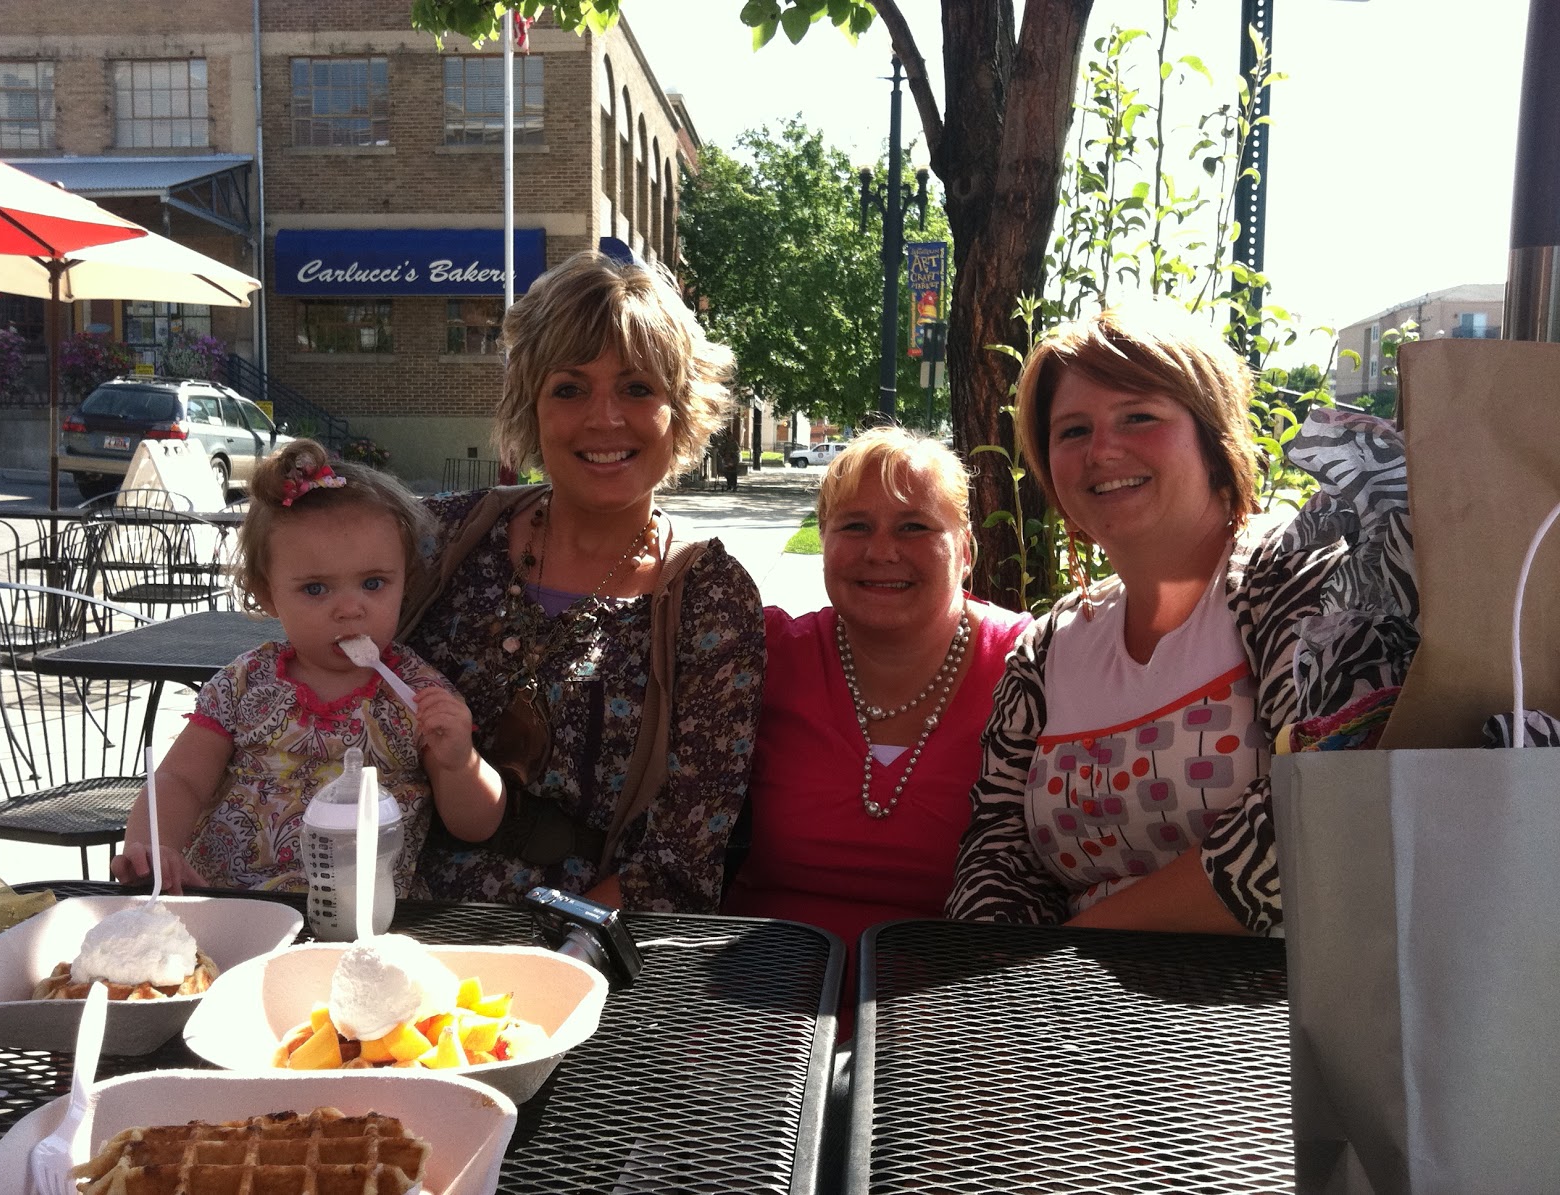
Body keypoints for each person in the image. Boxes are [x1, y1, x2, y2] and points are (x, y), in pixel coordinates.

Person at [945, 305, 1418, 933]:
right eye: (1073, 430)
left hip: (1279, 991)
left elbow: (1328, 812)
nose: (1102, 450)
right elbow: (998, 849)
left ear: (1212, 435)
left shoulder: (1298, 578)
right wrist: (999, 979)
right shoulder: (1045, 647)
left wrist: (1074, 953)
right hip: (1066, 994)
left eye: (1138, 416)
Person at [403, 249, 766, 914]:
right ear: (532, 406)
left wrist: (549, 953)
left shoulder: (710, 597)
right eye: (570, 389)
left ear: (682, 410)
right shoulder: (442, 538)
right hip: (385, 918)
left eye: (637, 388)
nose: (604, 418)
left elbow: (679, 861)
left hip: (580, 943)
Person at [113, 438, 504, 895]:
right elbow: (180, 780)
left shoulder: (419, 696)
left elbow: (475, 826)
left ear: (406, 583)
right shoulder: (244, 683)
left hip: (354, 916)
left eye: (373, 583)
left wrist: (461, 764)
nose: (350, 609)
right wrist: (154, 847)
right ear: (267, 593)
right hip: (225, 904)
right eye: (316, 589)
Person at [723, 427, 1031, 953]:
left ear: (964, 550)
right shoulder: (762, 654)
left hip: (951, 988)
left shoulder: (1029, 666)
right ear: (824, 541)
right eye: (855, 526)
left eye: (914, 527)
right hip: (761, 984)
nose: (882, 551)